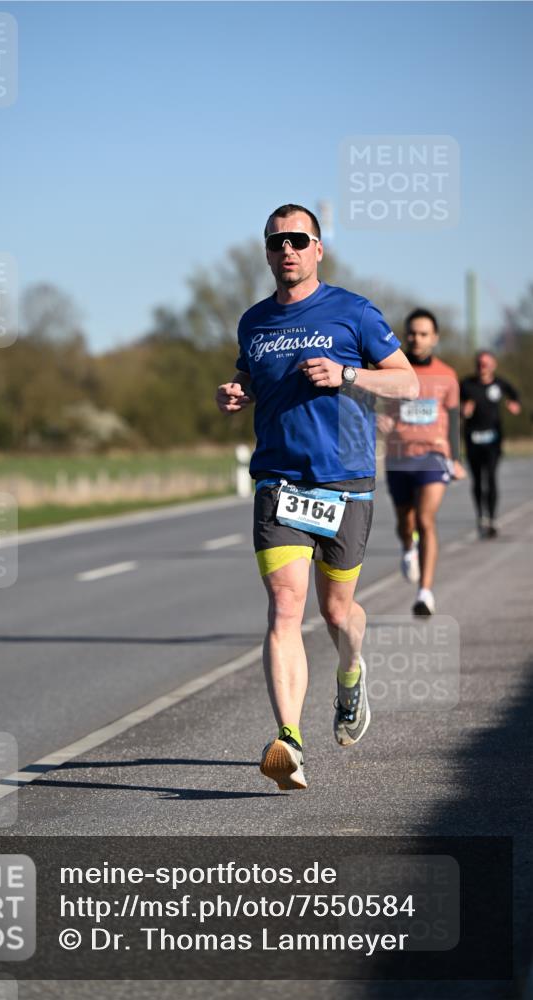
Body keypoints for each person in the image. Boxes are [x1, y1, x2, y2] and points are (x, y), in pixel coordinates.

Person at [215, 203, 418, 791]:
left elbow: (406, 382)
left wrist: (349, 376)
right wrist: (239, 390)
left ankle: (351, 672)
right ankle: (290, 740)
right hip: (278, 482)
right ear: (267, 250)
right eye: (277, 241)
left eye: (299, 240)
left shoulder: (353, 312)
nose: (288, 250)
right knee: (284, 607)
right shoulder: (253, 322)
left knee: (336, 614)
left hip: (345, 483)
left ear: (318, 249)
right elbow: (255, 376)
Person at [379, 308, 466, 617]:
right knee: (406, 521)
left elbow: (454, 419)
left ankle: (425, 592)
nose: (416, 339)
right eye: (412, 333)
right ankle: (408, 546)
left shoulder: (447, 375)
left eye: (423, 333)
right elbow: (375, 405)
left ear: (435, 338)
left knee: (426, 519)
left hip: (433, 456)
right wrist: (379, 420)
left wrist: (455, 459)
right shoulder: (391, 371)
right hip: (399, 458)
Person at [460, 351, 521, 538]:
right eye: (480, 363)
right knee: (478, 480)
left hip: (493, 440)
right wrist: (464, 411)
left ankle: (493, 518)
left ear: (493, 365)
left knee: (492, 477)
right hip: (473, 439)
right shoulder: (466, 385)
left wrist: (514, 405)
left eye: (486, 363)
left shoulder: (500, 384)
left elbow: (515, 396)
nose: (483, 366)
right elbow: (453, 406)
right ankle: (481, 517)